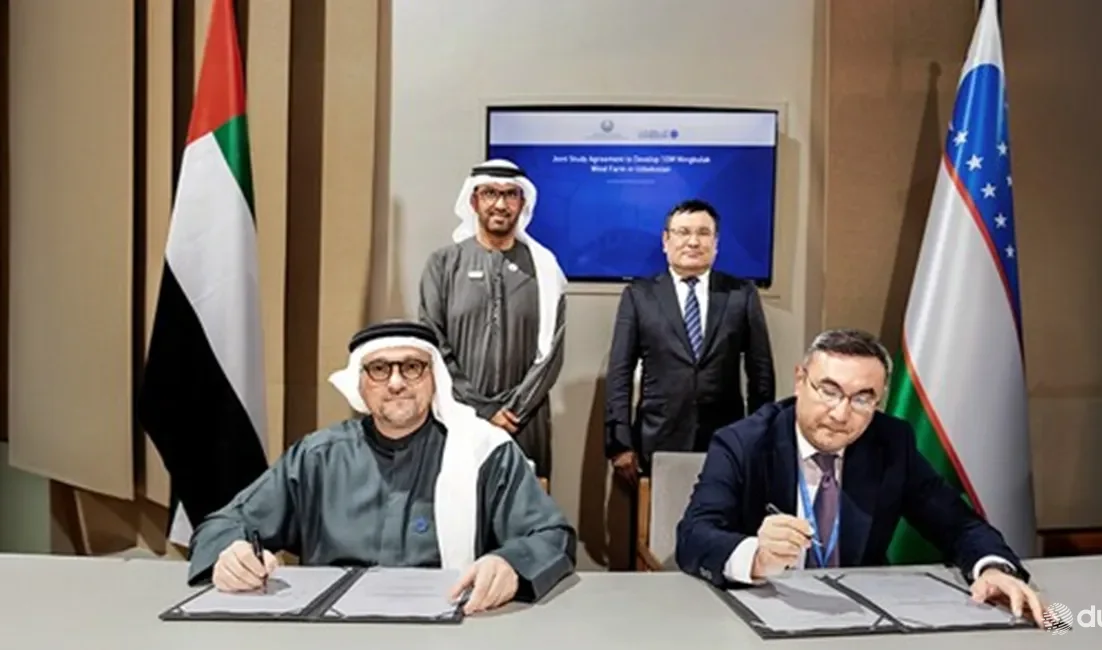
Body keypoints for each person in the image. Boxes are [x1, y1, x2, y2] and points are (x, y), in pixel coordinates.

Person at [186, 320, 576, 615]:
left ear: (434, 379)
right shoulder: (317, 457)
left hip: (449, 629)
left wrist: (510, 564)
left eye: (412, 367)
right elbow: (222, 525)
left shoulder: (484, 452)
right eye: (379, 369)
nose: (396, 383)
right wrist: (231, 554)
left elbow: (551, 536)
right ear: (360, 383)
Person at [674, 328, 1045, 626]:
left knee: (1052, 628)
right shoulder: (743, 442)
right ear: (800, 380)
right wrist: (756, 555)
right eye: (829, 391)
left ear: (879, 400)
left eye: (862, 399)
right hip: (760, 614)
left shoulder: (891, 443)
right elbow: (693, 536)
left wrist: (993, 567)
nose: (840, 414)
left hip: (861, 619)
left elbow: (958, 524)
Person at [604, 199, 774, 482]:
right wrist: (619, 443)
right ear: (666, 240)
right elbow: (619, 373)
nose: (693, 242)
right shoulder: (639, 295)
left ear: (716, 242)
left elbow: (761, 373)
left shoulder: (741, 294)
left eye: (703, 233)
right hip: (657, 441)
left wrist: (760, 436)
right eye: (683, 232)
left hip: (726, 442)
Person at [418, 159, 567, 481]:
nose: (500, 204)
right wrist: (481, 409)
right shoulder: (443, 264)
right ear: (473, 201)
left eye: (510, 195)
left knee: (526, 505)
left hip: (523, 420)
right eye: (490, 193)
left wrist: (514, 410)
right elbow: (432, 342)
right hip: (459, 414)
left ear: (522, 203)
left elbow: (552, 353)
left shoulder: (545, 268)